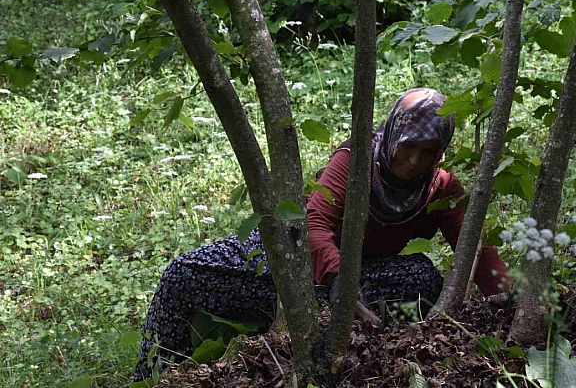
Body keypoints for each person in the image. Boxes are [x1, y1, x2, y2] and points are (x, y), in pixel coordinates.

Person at [133, 88, 510, 382]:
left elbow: (475, 249)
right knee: (184, 274)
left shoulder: (441, 186)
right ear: (394, 133)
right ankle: (150, 378)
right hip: (292, 263)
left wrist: (509, 300)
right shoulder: (355, 163)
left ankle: (340, 327)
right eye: (408, 147)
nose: (414, 162)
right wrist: (338, 285)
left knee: (424, 279)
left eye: (427, 152)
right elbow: (314, 226)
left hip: (360, 277)